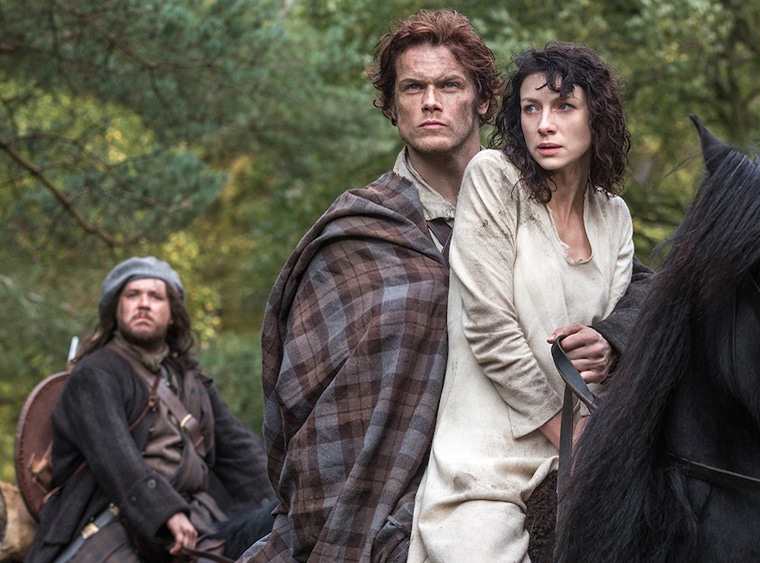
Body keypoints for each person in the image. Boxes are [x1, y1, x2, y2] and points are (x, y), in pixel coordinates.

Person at [241, 10, 652, 563]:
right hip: (403, 492)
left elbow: (639, 290)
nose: (430, 102)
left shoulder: (548, 198)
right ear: (392, 106)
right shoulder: (361, 234)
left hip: (554, 454)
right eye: (413, 88)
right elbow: (311, 402)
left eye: (450, 85)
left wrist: (612, 338)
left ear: (483, 101)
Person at [407, 42, 635, 562]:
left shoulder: (614, 215)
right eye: (531, 109)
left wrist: (606, 346)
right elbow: (488, 329)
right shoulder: (493, 177)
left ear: (596, 117)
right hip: (487, 460)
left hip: (583, 448)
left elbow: (613, 324)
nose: (545, 125)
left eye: (564, 107)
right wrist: (570, 435)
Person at [26, 256, 273, 562]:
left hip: (197, 523)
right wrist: (165, 511)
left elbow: (239, 453)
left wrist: (282, 500)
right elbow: (115, 457)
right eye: (133, 295)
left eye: (155, 296)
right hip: (108, 523)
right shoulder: (95, 373)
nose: (143, 303)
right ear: (116, 310)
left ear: (172, 315)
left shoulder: (190, 378)